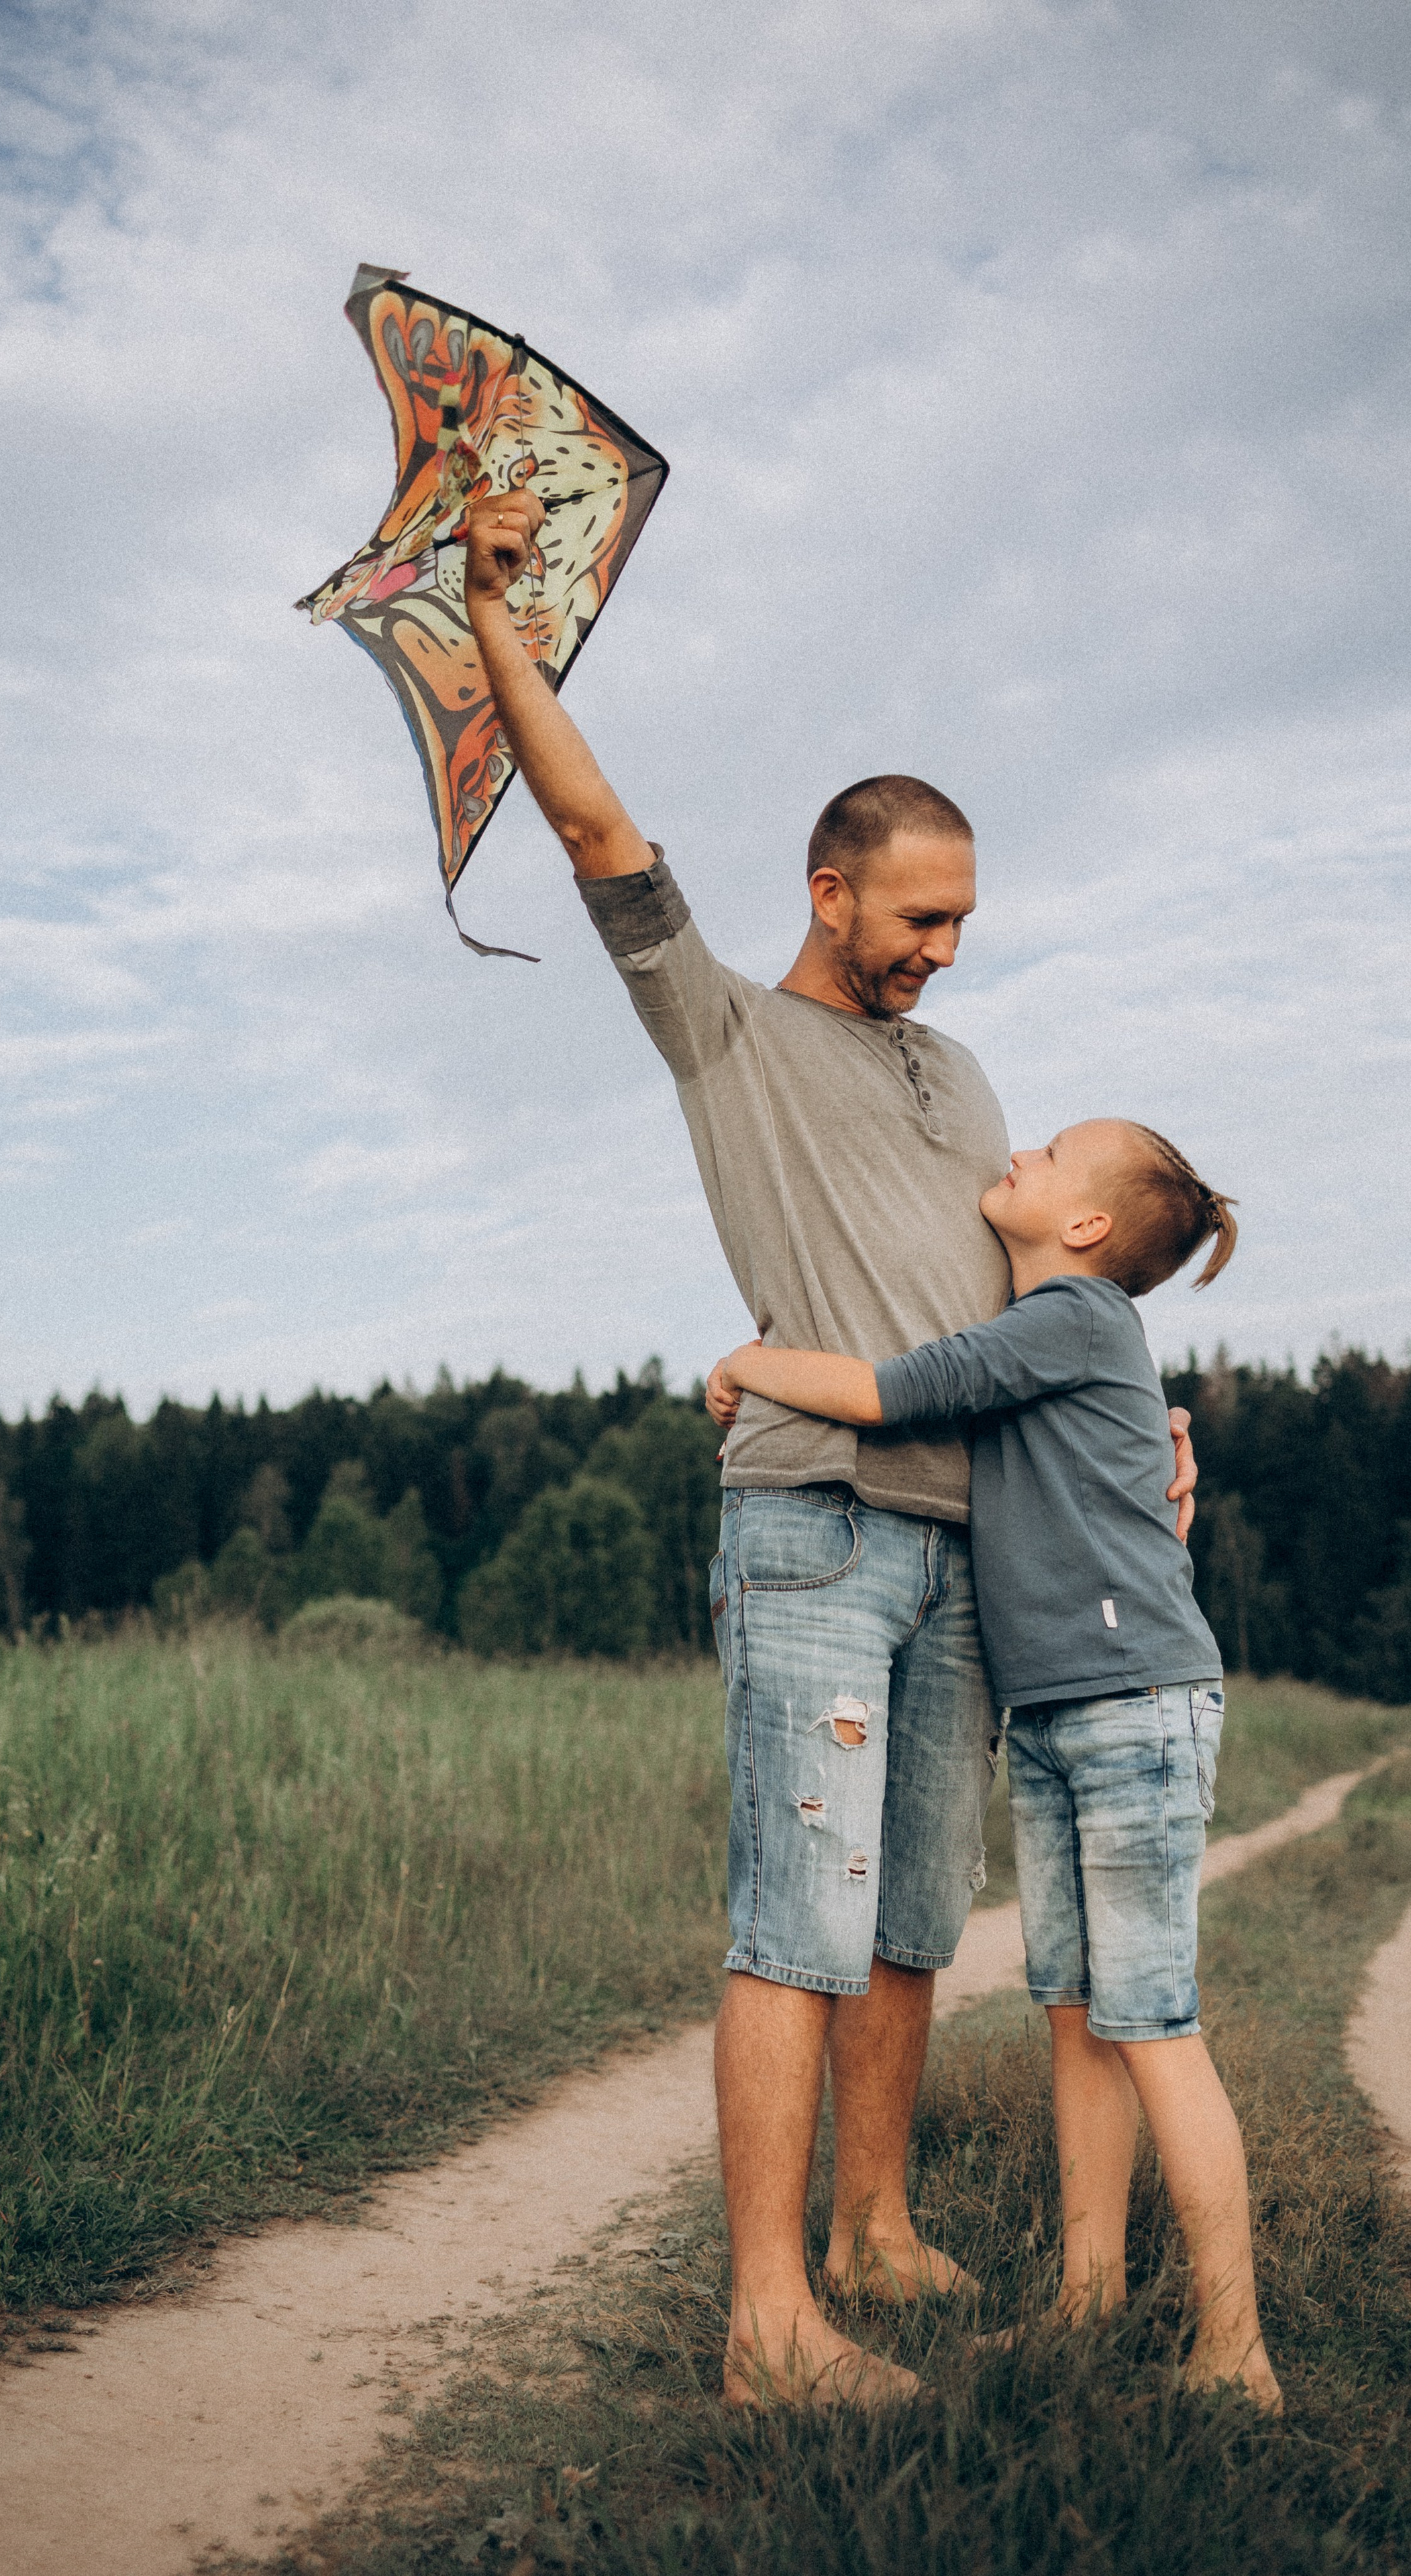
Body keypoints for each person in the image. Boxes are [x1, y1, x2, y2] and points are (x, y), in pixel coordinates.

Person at [461, 486, 1197, 2411]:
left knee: (905, 1924)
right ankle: (770, 2319)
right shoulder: (722, 1033)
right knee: (795, 1919)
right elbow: (599, 835)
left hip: (975, 1549)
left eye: (966, 921)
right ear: (831, 894)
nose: (948, 951)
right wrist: (499, 623)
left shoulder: (963, 1078)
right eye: (923, 917)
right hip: (814, 1531)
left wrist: (1140, 1428)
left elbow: (1030, 1313)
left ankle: (872, 2230)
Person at [708, 1119, 1279, 2408]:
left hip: (1134, 1707)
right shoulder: (1067, 1336)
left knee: (1155, 2026)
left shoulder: (1072, 1317)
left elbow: (892, 1389)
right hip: (1067, 1715)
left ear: (1085, 1229)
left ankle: (1235, 2351)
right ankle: (1089, 2298)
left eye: (1051, 1154)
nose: (1019, 1153)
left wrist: (750, 1363)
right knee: (1078, 2014)